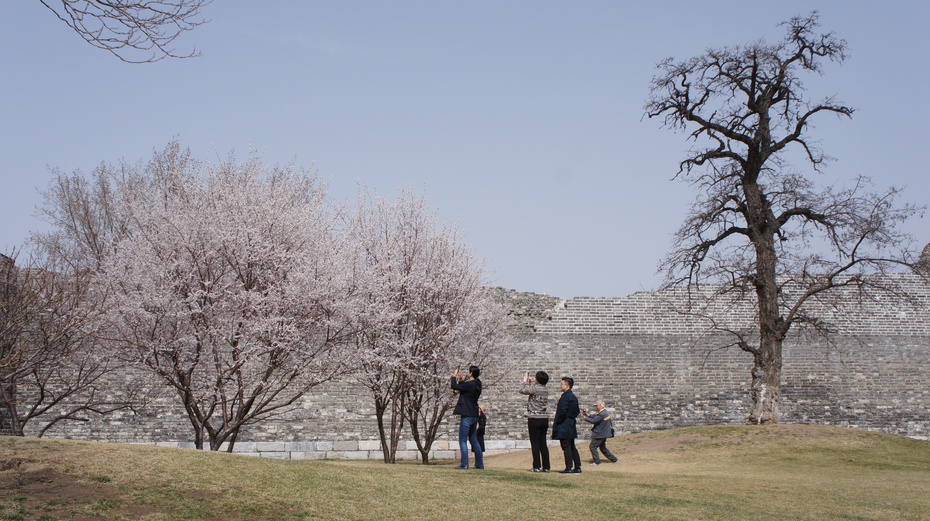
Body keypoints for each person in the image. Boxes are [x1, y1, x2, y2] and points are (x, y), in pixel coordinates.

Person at [451, 365, 483, 469]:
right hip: (474, 414)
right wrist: (461, 380)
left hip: (467, 414)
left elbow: (454, 386)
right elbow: (464, 388)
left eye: (468, 371)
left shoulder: (470, 384)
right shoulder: (477, 384)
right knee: (473, 439)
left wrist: (454, 375)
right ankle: (479, 464)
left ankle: (464, 463)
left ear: (471, 373)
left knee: (462, 439)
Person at [519, 370, 551, 472]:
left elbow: (522, 390)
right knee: (543, 443)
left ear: (538, 379)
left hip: (534, 418)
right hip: (544, 418)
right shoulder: (545, 389)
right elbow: (534, 391)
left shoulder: (534, 388)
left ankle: (536, 466)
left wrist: (524, 381)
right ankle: (546, 467)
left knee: (535, 443)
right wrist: (531, 383)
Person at [552, 376, 581, 474]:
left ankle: (569, 466)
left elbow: (562, 412)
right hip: (571, 424)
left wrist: (558, 422)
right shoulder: (573, 397)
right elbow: (577, 411)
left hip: (564, 425)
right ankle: (577, 466)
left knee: (566, 446)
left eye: (562, 384)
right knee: (572, 446)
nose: (561, 385)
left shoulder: (565, 397)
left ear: (567, 385)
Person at [581, 400, 618, 465]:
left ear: (601, 406)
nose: (596, 407)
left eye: (597, 405)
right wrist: (587, 415)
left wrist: (585, 418)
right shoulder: (603, 412)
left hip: (599, 434)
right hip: (603, 433)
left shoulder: (602, 414)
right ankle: (614, 459)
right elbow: (595, 416)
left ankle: (597, 461)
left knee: (592, 446)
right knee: (603, 448)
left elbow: (594, 420)